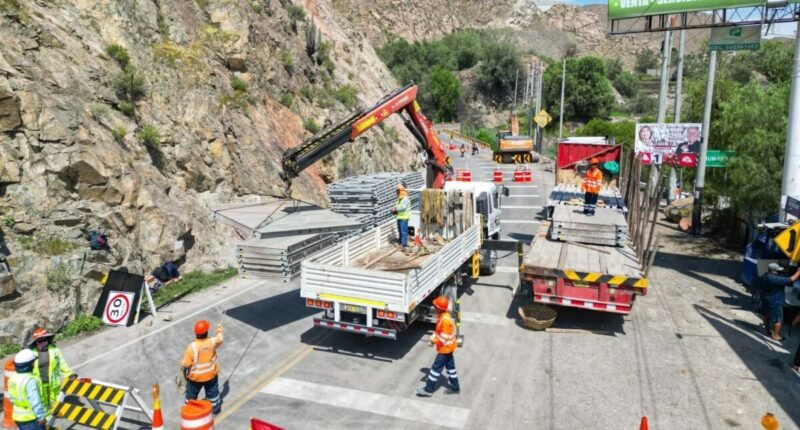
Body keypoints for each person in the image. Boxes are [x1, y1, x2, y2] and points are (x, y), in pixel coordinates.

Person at [417, 296, 460, 397]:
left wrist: (433, 341)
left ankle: (428, 390)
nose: (434, 308)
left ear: (440, 308)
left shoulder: (444, 319)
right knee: (451, 369)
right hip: (449, 348)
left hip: (445, 349)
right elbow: (441, 332)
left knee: (435, 370)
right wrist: (435, 335)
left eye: (435, 306)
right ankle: (455, 387)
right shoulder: (444, 315)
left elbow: (443, 338)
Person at [180, 320, 224, 415]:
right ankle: (214, 410)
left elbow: (186, 364)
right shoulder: (212, 342)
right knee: (213, 394)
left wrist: (181, 363)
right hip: (211, 375)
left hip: (195, 378)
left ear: (196, 333)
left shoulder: (191, 347)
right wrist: (219, 330)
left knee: (191, 395)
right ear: (206, 332)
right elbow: (220, 339)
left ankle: (188, 411)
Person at [30, 328, 75, 412]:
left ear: (48, 340)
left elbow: (62, 362)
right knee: (42, 401)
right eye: (39, 341)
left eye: (45, 340)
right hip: (39, 383)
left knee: (55, 399)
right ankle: (46, 416)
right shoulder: (31, 353)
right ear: (35, 343)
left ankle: (55, 412)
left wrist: (70, 374)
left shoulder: (54, 350)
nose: (43, 343)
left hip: (53, 382)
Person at [759, 263, 800, 341]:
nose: (779, 272)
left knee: (766, 316)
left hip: (765, 299)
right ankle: (776, 335)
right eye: (778, 270)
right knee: (778, 320)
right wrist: (798, 272)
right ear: (773, 271)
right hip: (775, 301)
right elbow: (792, 279)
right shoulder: (775, 279)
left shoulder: (764, 276)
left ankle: (766, 331)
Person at [8, 349, 48, 430]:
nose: (34, 364)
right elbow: (35, 401)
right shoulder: (30, 380)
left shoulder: (13, 377)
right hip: (31, 419)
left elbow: (11, 398)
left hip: (18, 417)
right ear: (28, 365)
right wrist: (41, 416)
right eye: (33, 362)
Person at [390, 183, 411, 248]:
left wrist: (395, 209)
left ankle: (403, 243)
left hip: (404, 217)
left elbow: (403, 207)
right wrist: (394, 207)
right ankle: (400, 241)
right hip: (399, 217)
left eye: (399, 190)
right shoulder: (400, 198)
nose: (398, 192)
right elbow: (397, 205)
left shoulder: (405, 198)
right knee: (400, 230)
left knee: (403, 231)